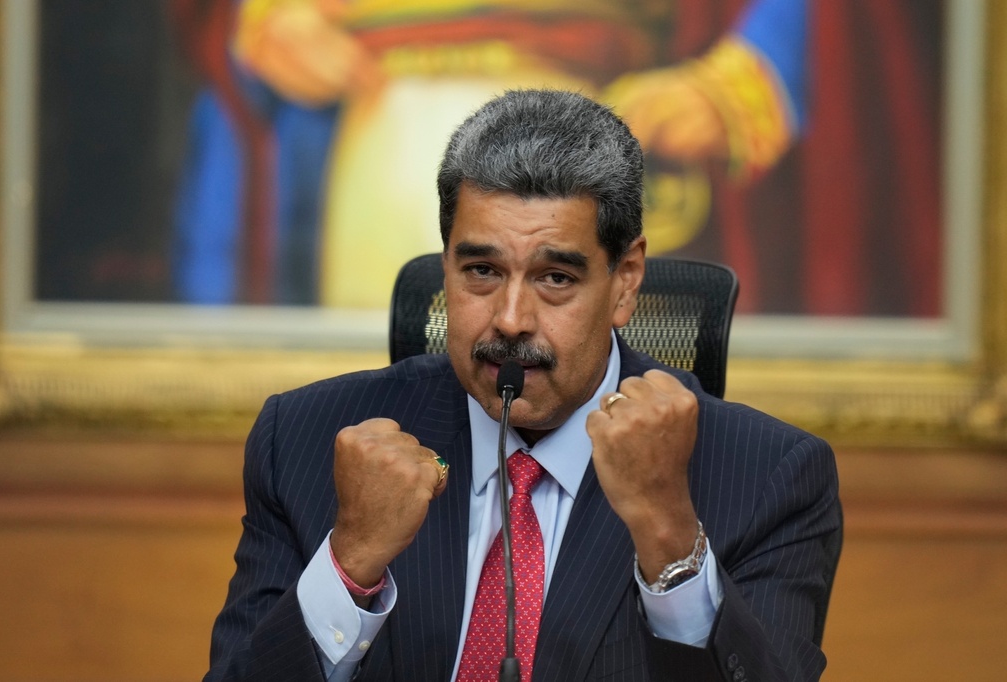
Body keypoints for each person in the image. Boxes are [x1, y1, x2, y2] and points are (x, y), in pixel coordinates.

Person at [204, 89, 842, 681]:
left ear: (625, 281)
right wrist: (348, 565)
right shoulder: (305, 441)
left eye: (556, 278)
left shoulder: (768, 478)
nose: (510, 320)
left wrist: (669, 535)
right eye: (481, 270)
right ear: (446, 262)